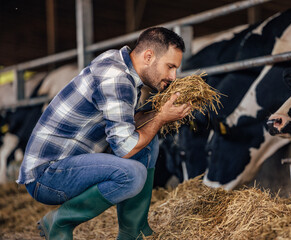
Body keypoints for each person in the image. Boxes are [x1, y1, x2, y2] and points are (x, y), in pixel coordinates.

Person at [16, 26, 190, 240]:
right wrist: (161, 117)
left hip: (72, 162)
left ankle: (132, 231)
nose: (173, 76)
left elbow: (127, 124)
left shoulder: (123, 65)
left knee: (149, 138)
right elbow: (125, 149)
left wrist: (158, 113)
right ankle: (60, 221)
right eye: (170, 67)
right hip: (47, 176)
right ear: (148, 56)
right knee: (133, 174)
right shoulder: (116, 78)